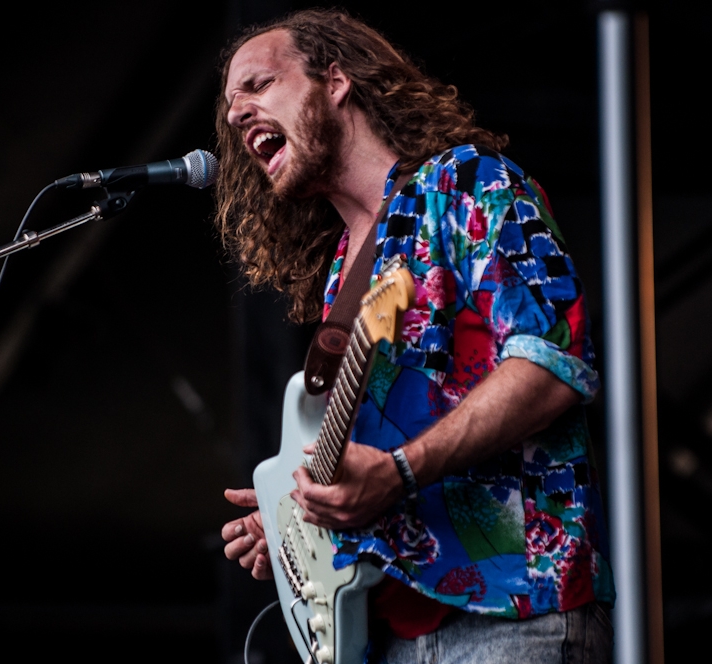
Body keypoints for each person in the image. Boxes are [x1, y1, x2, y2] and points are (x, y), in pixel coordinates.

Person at [216, 9, 615, 663]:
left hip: (512, 612)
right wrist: (301, 521)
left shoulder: (468, 185)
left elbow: (551, 365)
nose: (235, 115)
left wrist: (399, 471)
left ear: (336, 80)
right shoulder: (346, 268)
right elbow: (373, 453)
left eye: (258, 85)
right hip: (387, 631)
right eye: (231, 106)